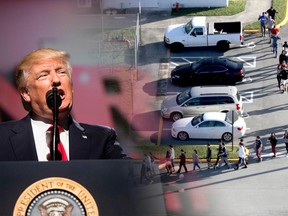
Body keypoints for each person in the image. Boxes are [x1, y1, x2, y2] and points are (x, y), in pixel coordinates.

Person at [0, 48, 128, 161]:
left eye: (61, 72)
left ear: (71, 86)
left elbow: (130, 176)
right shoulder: (3, 138)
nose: (56, 80)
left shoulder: (101, 138)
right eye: (44, 75)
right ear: (26, 93)